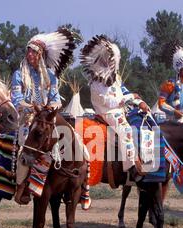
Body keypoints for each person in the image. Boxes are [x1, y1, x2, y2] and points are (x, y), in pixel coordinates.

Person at [11, 29, 77, 205]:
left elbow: (55, 98)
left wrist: (51, 107)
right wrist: (31, 107)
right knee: (27, 141)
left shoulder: (50, 76)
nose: (30, 54)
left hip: (47, 116)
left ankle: (76, 183)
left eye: (34, 51)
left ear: (41, 55)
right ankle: (22, 186)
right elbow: (16, 99)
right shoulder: (19, 74)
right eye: (28, 51)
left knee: (72, 137)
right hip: (27, 116)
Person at [80, 35, 150, 181]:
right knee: (126, 130)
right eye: (105, 58)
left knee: (141, 122)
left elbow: (123, 92)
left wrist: (139, 102)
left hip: (120, 109)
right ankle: (132, 168)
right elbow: (111, 102)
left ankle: (148, 160)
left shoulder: (115, 77)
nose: (108, 61)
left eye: (110, 58)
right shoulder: (95, 82)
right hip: (107, 112)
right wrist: (131, 98)